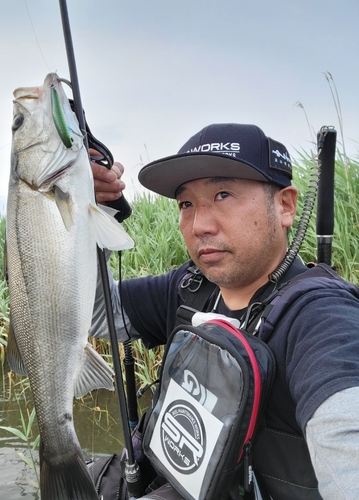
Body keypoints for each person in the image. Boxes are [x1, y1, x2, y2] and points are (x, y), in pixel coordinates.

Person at [91, 123, 359, 500]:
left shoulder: (320, 317)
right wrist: (80, 214)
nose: (199, 225)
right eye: (186, 204)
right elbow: (94, 313)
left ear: (285, 205)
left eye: (223, 194)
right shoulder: (189, 286)